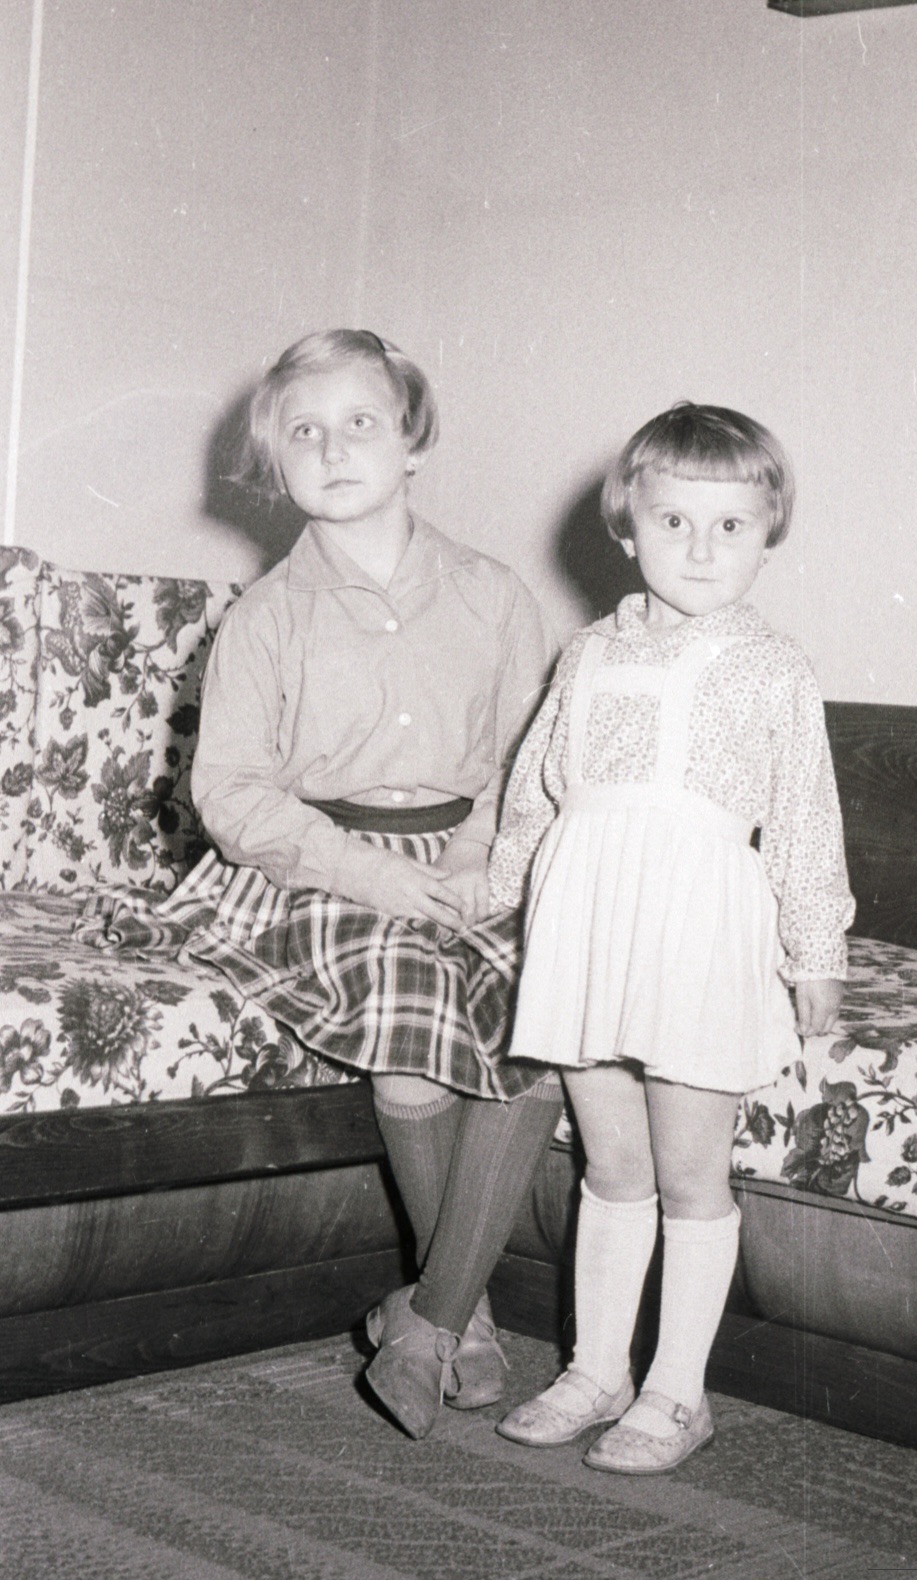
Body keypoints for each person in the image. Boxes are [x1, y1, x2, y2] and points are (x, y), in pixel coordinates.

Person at [172, 328, 564, 1439]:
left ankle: (429, 1320)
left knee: (547, 1012)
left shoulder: (492, 596)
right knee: (409, 1008)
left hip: (472, 860)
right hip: (321, 868)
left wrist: (491, 854)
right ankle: (467, 1321)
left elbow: (530, 758)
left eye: (361, 423)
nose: (334, 448)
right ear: (275, 463)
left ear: (413, 442)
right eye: (305, 431)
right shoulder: (265, 619)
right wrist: (372, 879)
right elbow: (238, 798)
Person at [487, 403, 854, 1474]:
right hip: (589, 922)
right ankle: (596, 1369)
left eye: (731, 525)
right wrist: (503, 896)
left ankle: (676, 1392)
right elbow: (534, 791)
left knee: (692, 1171)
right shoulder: (588, 651)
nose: (702, 548)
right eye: (676, 522)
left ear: (769, 531)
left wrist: (815, 951)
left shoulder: (773, 666)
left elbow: (802, 817)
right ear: (626, 528)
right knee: (611, 1164)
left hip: (698, 928)